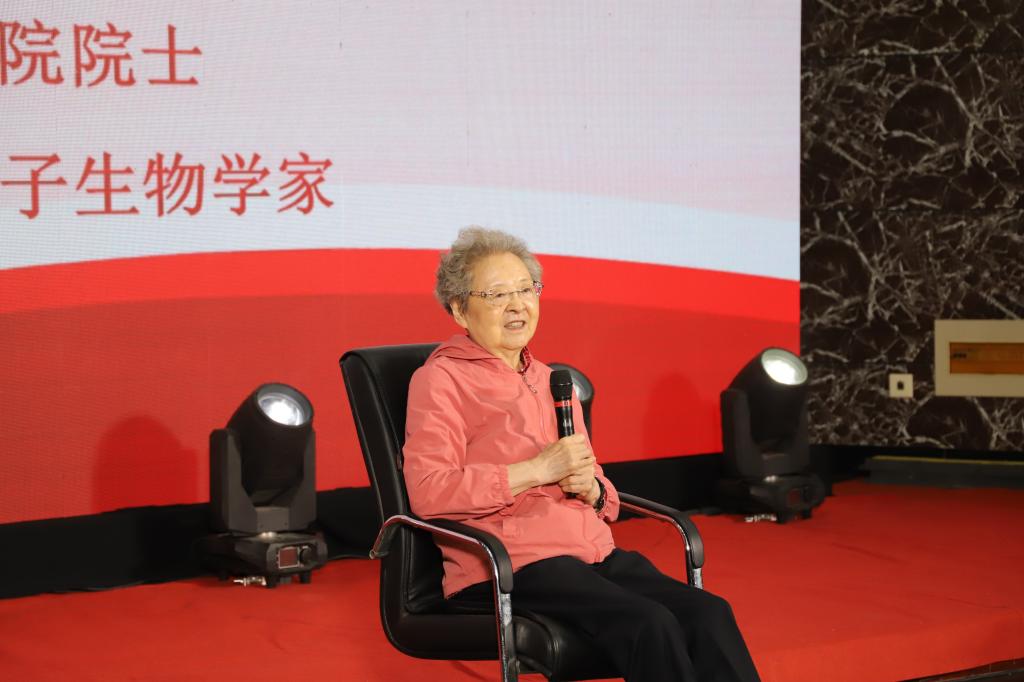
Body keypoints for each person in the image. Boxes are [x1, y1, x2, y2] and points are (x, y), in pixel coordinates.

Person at [403, 226, 760, 682]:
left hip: (588, 553)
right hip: (512, 563)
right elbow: (429, 492)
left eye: (525, 289)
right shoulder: (440, 381)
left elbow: (603, 494)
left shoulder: (552, 380)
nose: (517, 305)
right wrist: (536, 470)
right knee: (649, 624)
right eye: (497, 294)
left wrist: (593, 489)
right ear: (459, 309)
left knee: (709, 614)